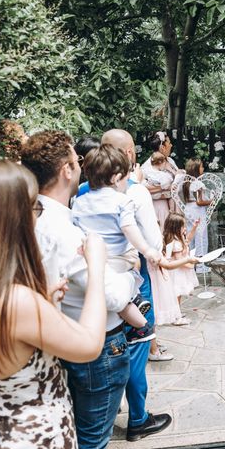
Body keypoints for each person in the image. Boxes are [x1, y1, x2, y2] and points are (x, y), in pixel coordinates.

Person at [0, 158, 108, 449]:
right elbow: (89, 345)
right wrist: (97, 268)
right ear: (11, 218)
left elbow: (5, 342)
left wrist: (44, 305)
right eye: (33, 206)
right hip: (33, 437)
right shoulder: (17, 302)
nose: (37, 215)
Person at [21, 131, 136, 449]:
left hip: (55, 339)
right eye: (77, 161)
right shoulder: (63, 230)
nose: (81, 167)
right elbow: (114, 296)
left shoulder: (32, 219)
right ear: (66, 170)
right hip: (96, 348)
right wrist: (128, 272)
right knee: (92, 440)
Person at [100, 128, 173, 441]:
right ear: (129, 155)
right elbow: (153, 241)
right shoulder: (136, 191)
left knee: (107, 343)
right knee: (137, 348)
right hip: (132, 279)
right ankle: (138, 419)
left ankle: (108, 408)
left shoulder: (83, 191)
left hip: (96, 279)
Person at [72, 144, 163, 344]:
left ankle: (137, 310)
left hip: (95, 260)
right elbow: (130, 229)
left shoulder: (78, 202)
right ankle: (142, 327)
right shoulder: (122, 201)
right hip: (121, 259)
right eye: (126, 177)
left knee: (112, 297)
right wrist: (148, 250)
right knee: (122, 295)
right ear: (115, 178)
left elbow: (76, 230)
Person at [161, 213, 200, 325]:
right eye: (183, 226)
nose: (185, 228)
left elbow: (188, 239)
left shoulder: (178, 238)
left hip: (178, 270)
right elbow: (180, 262)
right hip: (177, 272)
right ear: (176, 228)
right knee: (177, 294)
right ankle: (176, 317)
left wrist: (194, 227)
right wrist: (192, 264)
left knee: (178, 294)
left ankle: (176, 313)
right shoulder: (176, 243)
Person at [141, 131, 180, 229]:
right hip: (159, 206)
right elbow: (143, 188)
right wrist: (165, 188)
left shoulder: (170, 161)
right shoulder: (148, 166)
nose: (171, 145)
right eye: (169, 143)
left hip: (175, 204)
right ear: (163, 147)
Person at [183, 157, 213, 273]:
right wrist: (212, 201)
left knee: (191, 236)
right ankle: (200, 265)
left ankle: (191, 264)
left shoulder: (186, 183)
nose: (203, 168)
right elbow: (199, 201)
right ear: (196, 169)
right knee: (201, 236)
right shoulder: (197, 183)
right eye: (201, 166)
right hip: (197, 211)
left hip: (188, 209)